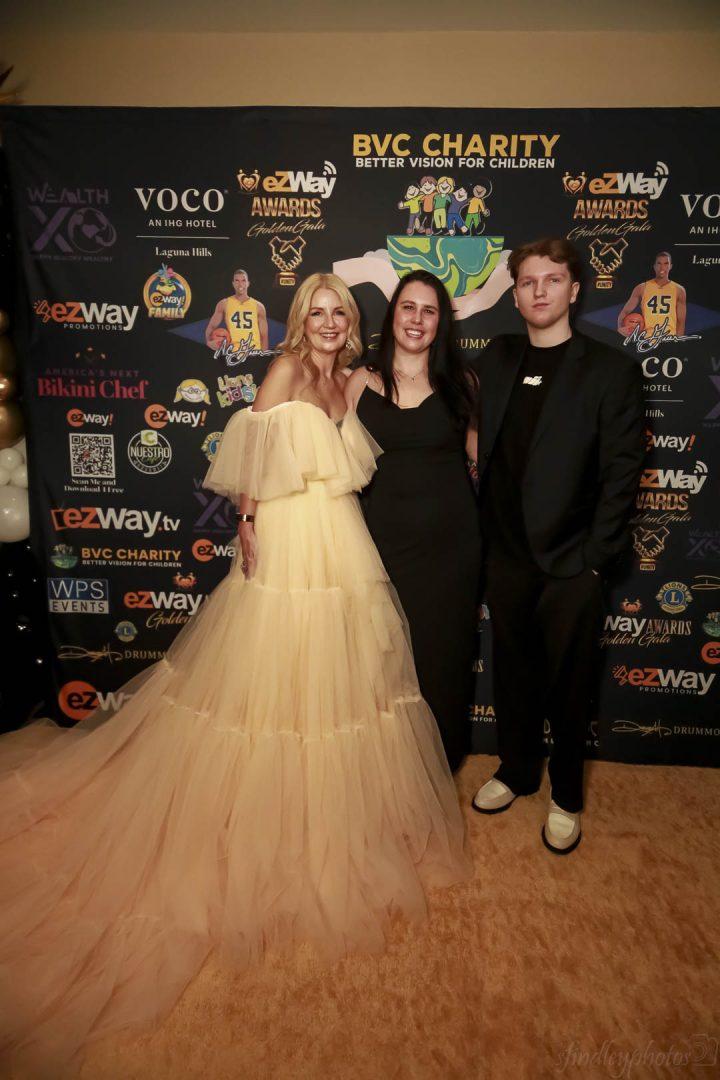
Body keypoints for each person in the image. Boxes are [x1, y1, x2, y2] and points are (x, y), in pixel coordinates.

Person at [0, 272, 470, 1076]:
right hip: (288, 537)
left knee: (342, 675)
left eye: (339, 314)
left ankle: (326, 813)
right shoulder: (285, 368)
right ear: (300, 319)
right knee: (272, 668)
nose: (328, 323)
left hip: (342, 536)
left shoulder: (350, 380)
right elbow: (250, 450)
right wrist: (248, 522)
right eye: (317, 312)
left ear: (352, 324)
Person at [470, 238, 645, 853]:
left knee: (570, 686)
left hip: (572, 562)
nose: (539, 290)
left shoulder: (610, 370)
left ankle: (566, 794)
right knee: (513, 673)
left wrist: (595, 561)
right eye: (527, 281)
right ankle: (518, 769)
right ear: (515, 294)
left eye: (551, 279)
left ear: (573, 290)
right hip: (506, 555)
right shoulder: (497, 356)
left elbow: (623, 474)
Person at [344, 269, 481, 773]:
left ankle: (438, 764)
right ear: (392, 315)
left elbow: (485, 460)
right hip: (378, 545)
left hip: (452, 549)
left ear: (441, 322)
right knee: (380, 655)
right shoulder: (360, 380)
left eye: (429, 310)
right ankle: (385, 766)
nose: (417, 319)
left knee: (443, 654)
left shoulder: (462, 383)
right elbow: (333, 461)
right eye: (408, 307)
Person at [616, 251, 686, 337]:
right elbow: (625, 311)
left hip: (669, 337)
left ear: (670, 266)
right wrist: (620, 328)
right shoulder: (641, 288)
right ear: (654, 266)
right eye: (659, 263)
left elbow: (681, 321)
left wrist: (678, 342)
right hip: (647, 338)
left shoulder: (679, 290)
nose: (662, 267)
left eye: (666, 263)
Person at [205, 267, 269, 350]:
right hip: (233, 352)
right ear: (233, 283)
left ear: (248, 283)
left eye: (243, 280)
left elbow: (264, 336)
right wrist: (209, 342)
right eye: (237, 280)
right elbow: (211, 326)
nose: (240, 284)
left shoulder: (259, 306)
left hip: (254, 351)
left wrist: (263, 355)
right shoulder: (224, 304)